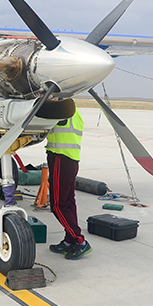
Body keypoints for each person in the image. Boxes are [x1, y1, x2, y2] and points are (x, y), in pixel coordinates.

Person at [46, 108, 91, 259]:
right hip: (70, 160)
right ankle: (69, 240)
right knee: (69, 203)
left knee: (58, 206)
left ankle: (80, 241)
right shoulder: (74, 111)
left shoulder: (63, 109)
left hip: (60, 158)